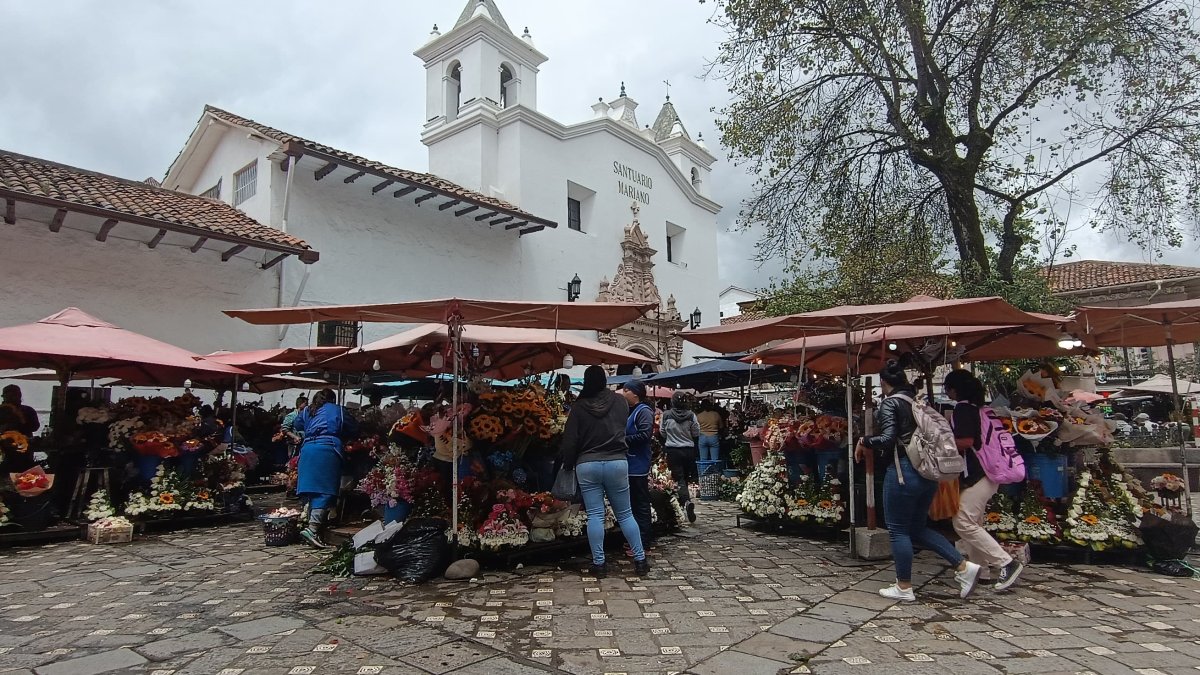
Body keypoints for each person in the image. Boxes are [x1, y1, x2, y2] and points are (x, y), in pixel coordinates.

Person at [854, 360, 981, 602]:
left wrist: (865, 441)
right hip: (928, 474)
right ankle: (963, 567)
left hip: (903, 472)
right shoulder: (918, 402)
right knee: (917, 528)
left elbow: (888, 438)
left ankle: (903, 585)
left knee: (898, 530)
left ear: (884, 383)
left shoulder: (891, 403)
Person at [560, 366, 649, 577]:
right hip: (617, 462)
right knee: (626, 514)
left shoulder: (579, 406)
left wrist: (568, 463)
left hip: (587, 464)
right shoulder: (620, 402)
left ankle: (599, 565)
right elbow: (620, 425)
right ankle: (640, 561)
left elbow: (570, 440)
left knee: (595, 516)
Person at [946, 370, 1025, 591]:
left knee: (962, 522)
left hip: (977, 474)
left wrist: (942, 438)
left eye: (948, 388)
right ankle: (980, 569)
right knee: (974, 522)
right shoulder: (980, 410)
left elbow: (965, 441)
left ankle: (1006, 563)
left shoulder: (962, 409)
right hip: (989, 472)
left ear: (954, 389)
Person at [290, 388, 359, 548]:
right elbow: (353, 427)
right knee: (325, 489)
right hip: (326, 449)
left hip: (307, 450)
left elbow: (297, 423)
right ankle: (312, 529)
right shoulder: (337, 410)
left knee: (311, 489)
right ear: (333, 399)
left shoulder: (308, 410)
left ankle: (313, 526)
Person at [620, 380, 656, 548]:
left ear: (635, 393)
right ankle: (635, 538)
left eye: (626, 390)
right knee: (632, 503)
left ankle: (643, 540)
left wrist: (622, 440)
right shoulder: (629, 410)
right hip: (629, 463)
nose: (623, 392)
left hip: (638, 464)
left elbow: (644, 435)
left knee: (640, 503)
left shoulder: (644, 412)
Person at [660, 391, 700, 523]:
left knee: (679, 479)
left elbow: (662, 432)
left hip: (673, 450)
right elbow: (696, 432)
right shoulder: (691, 415)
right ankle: (686, 500)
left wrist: (672, 437)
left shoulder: (666, 415)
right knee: (686, 478)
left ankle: (685, 502)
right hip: (688, 450)